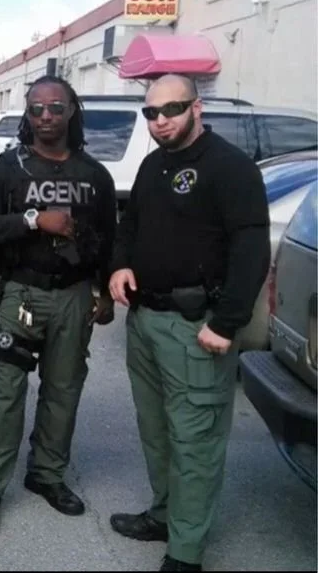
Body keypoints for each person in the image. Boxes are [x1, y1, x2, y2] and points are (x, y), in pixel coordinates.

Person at [107, 74, 270, 573]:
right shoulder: (155, 165)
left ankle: (186, 553)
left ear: (197, 107)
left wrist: (226, 322)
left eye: (170, 110)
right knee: (156, 432)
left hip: (196, 327)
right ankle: (164, 514)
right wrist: (120, 264)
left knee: (194, 441)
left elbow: (251, 249)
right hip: (146, 321)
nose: (159, 121)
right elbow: (129, 227)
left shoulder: (231, 168)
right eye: (150, 113)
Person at [0, 75, 117, 533]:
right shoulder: (7, 169)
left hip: (73, 297)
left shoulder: (94, 174)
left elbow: (108, 240)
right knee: (4, 392)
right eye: (36, 109)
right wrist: (33, 220)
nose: (46, 116)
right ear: (26, 116)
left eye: (55, 107)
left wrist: (105, 290)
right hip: (20, 294)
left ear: (72, 111)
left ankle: (47, 475)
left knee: (63, 390)